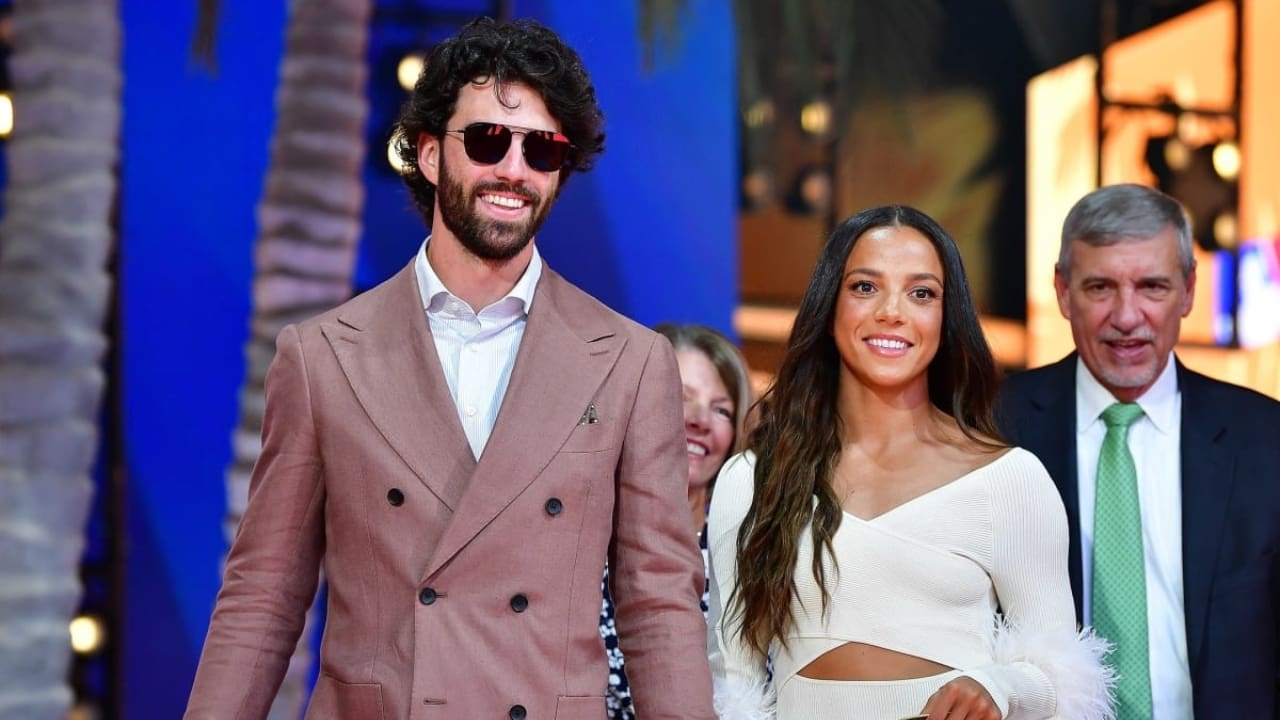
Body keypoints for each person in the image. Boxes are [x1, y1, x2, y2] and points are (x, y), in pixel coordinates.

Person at [185, 17, 716, 719]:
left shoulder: (628, 361)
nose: (513, 170)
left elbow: (657, 606)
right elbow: (264, 595)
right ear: (430, 155)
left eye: (543, 150)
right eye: (489, 139)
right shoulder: (321, 357)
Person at [706, 205, 1114, 720]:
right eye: (865, 287)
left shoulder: (1010, 481)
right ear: (829, 306)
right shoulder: (754, 479)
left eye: (921, 293)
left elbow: (1066, 680)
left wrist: (998, 686)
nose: (892, 312)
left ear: (946, 318)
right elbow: (731, 681)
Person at [997, 183, 1280, 719]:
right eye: (1100, 287)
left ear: (1190, 289)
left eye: (1152, 286)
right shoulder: (991, 429)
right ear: (1062, 291)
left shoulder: (1266, 440)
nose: (1126, 318)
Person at [602, 323, 753, 719]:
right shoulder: (581, 536)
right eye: (679, 397)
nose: (700, 420)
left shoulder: (753, 552)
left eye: (721, 409)